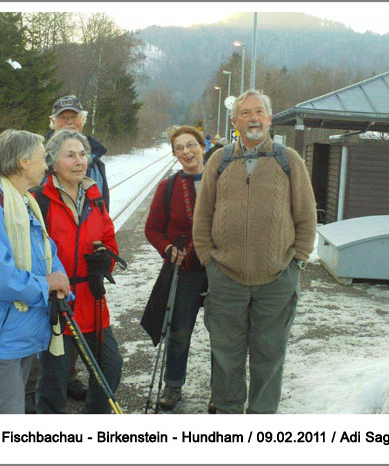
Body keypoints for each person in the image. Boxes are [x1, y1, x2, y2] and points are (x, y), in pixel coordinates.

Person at [193, 90, 317, 414]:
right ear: (234, 122)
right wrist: (209, 262)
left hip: (276, 279)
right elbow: (202, 215)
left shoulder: (288, 160)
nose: (253, 119)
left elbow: (306, 216)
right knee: (225, 353)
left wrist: (296, 264)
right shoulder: (219, 161)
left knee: (270, 354)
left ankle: (261, 418)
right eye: (245, 113)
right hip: (226, 279)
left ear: (270, 117)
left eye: (259, 112)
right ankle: (227, 411)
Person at [0, 129, 70, 414]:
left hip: (21, 333)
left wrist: (60, 283)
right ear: (22, 161)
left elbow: (46, 254)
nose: (46, 165)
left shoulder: (24, 203)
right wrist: (46, 285)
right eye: (41, 158)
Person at [25, 94, 110, 409]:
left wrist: (101, 249)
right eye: (63, 117)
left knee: (70, 348)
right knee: (46, 349)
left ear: (83, 120)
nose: (69, 121)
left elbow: (102, 209)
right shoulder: (36, 157)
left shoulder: (94, 160)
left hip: (83, 267)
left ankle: (65, 380)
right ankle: (34, 397)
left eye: (75, 117)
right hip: (50, 275)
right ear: (52, 121)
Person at [35, 130, 123, 414]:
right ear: (53, 161)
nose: (79, 161)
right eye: (70, 155)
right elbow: (32, 251)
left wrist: (104, 261)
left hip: (92, 299)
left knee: (110, 366)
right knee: (54, 380)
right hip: (57, 304)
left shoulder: (94, 196)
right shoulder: (40, 199)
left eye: (83, 155)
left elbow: (109, 240)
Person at [144, 125, 208, 411]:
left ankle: (222, 389)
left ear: (202, 146)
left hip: (220, 268)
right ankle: (173, 384)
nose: (186, 151)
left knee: (224, 333)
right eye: (179, 148)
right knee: (180, 331)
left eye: (191, 144)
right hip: (184, 271)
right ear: (174, 154)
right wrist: (168, 249)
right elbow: (152, 229)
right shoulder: (167, 187)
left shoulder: (221, 182)